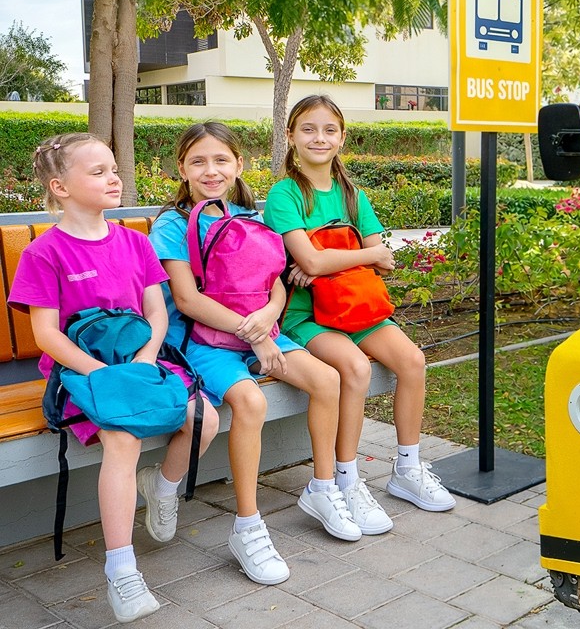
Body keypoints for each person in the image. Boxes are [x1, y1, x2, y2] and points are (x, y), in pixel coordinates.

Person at [8, 133, 220, 623]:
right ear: (60, 187)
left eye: (113, 168)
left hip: (139, 357)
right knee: (122, 439)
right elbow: (46, 335)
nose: (114, 178)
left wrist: (145, 358)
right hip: (81, 368)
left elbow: (155, 312)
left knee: (204, 420)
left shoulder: (134, 241)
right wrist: (104, 374)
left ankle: (163, 489)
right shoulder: (46, 253)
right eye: (98, 171)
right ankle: (121, 570)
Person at [149, 123, 360, 585]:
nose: (211, 170)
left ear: (239, 165)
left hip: (258, 327)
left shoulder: (251, 215)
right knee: (251, 401)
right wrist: (256, 334)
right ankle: (247, 526)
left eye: (221, 160)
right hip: (202, 341)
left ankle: (323, 487)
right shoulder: (170, 225)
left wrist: (268, 316)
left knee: (328, 380)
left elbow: (277, 283)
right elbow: (187, 300)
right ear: (181, 168)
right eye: (198, 161)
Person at [265, 95, 455, 535]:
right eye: (308, 129)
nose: (319, 138)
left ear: (342, 137)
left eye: (329, 129)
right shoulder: (285, 194)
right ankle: (344, 479)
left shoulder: (353, 194)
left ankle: (407, 468)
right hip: (306, 315)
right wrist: (353, 254)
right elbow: (312, 264)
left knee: (412, 361)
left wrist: (327, 257)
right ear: (291, 136)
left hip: (358, 306)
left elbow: (383, 261)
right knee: (353, 366)